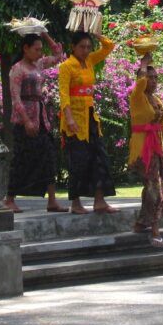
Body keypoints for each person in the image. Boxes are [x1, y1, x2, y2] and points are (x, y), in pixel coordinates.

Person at [5, 32, 66, 213]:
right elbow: (16, 98)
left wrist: (45, 34)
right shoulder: (17, 69)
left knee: (48, 156)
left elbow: (58, 56)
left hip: (41, 117)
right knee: (21, 158)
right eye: (37, 49)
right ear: (26, 48)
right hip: (25, 119)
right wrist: (26, 121)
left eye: (41, 50)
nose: (40, 53)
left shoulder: (38, 64)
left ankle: (52, 200)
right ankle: (9, 199)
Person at [59, 31, 118, 215]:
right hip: (74, 119)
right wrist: (69, 118)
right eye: (82, 47)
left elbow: (109, 46)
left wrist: (96, 33)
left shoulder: (90, 60)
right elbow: (64, 95)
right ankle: (76, 203)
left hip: (90, 117)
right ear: (73, 47)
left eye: (88, 47)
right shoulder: (66, 66)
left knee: (99, 157)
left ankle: (99, 201)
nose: (85, 50)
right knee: (78, 160)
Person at [128, 53, 163, 247]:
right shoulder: (137, 97)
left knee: (153, 186)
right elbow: (140, 84)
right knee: (155, 188)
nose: (153, 81)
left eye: (156, 78)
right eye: (149, 77)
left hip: (157, 148)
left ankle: (141, 223)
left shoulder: (156, 100)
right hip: (142, 149)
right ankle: (155, 231)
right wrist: (143, 64)